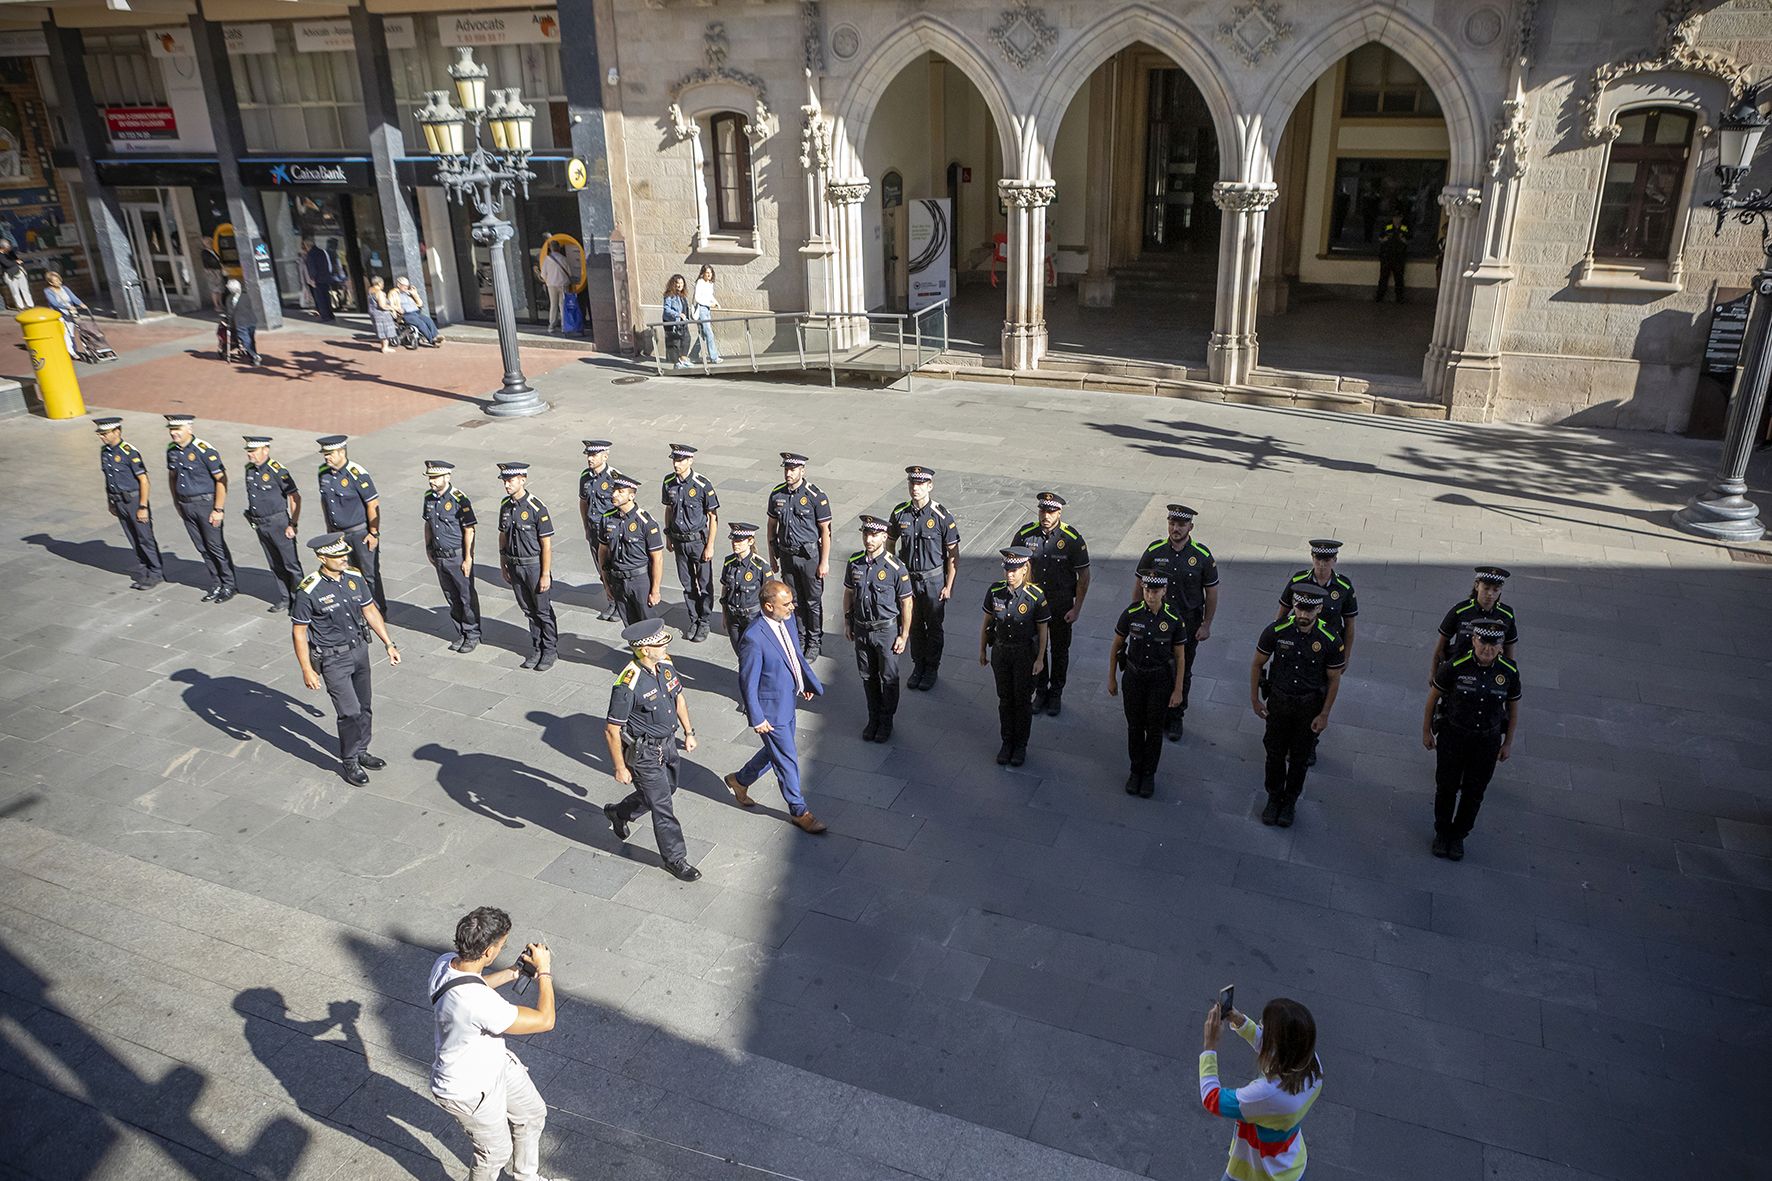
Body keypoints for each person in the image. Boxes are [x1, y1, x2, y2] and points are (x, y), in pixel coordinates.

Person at [428, 907, 561, 1181]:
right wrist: (545, 972)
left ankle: (526, 1176)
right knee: (495, 1154)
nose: (501, 950)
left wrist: (514, 972)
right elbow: (545, 1020)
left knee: (532, 1113)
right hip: (469, 1090)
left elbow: (474, 982)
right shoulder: (479, 1004)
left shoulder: (446, 963)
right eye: (501, 945)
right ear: (488, 952)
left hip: (492, 1063)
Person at [292, 531, 400, 785]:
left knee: (364, 706)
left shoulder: (354, 577)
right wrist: (307, 669)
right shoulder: (309, 591)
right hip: (333, 660)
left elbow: (370, 610)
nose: (344, 558)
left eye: (344, 553)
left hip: (359, 651)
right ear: (321, 557)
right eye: (337, 555)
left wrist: (388, 643)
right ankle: (350, 760)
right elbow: (299, 633)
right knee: (349, 712)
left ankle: (362, 750)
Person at [725, 578, 827, 834]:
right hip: (770, 710)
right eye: (786, 604)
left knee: (777, 753)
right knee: (787, 760)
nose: (792, 607)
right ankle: (799, 811)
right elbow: (747, 681)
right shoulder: (753, 638)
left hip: (787, 700)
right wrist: (756, 717)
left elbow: (793, 654)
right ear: (769, 607)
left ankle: (740, 780)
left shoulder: (787, 620)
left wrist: (802, 682)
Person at [603, 620, 703, 882]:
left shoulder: (666, 666)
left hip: (668, 745)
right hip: (645, 754)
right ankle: (675, 859)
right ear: (645, 649)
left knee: (666, 790)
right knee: (663, 807)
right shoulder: (627, 685)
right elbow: (612, 730)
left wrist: (688, 732)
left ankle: (620, 812)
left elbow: (678, 697)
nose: (666, 646)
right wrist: (620, 767)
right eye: (660, 643)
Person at [1422, 621, 1521, 861]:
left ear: (1500, 647)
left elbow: (1513, 707)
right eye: (1483, 642)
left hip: (1486, 741)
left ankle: (1458, 836)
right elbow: (1433, 698)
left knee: (1474, 791)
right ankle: (1443, 832)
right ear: (1474, 640)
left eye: (1494, 644)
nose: (1487, 649)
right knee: (1446, 786)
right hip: (1453, 735)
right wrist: (1426, 731)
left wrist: (1507, 742)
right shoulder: (1455, 666)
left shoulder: (1508, 671)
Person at [1199, 997, 1324, 1181]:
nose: (1260, 1028)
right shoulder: (1311, 1063)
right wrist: (1240, 1021)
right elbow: (1273, 1050)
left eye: (1263, 1026)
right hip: (1289, 1163)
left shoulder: (1267, 1095)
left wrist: (1209, 1047)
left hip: (1260, 1172)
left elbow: (1212, 1099)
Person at [1251, 585, 1345, 828]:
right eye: (1300, 608)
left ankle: (1290, 801)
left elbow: (1334, 679)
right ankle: (1274, 797)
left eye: (1310, 610)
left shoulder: (1330, 639)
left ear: (1320, 609)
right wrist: (1254, 699)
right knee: (1274, 753)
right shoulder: (1276, 630)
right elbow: (1257, 663)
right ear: (1294, 606)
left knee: (1300, 757)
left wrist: (1324, 714)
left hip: (1308, 707)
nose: (1303, 615)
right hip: (1280, 702)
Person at [1134, 504, 1217, 740]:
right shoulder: (1154, 550)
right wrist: (1135, 616)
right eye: (1172, 523)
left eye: (1181, 525)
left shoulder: (1201, 555)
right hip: (1156, 620)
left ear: (1190, 527)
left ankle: (1176, 716)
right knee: (1155, 667)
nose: (1175, 529)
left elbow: (1211, 592)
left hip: (1187, 624)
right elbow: (1139, 585)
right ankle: (1156, 713)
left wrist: (1206, 624)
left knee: (1182, 669)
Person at [1277, 539, 1357, 768]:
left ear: (1334, 561)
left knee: (1318, 698)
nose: (1321, 564)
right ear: (1312, 558)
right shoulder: (1298, 580)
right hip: (1296, 647)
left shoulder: (1343, 587)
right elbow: (1282, 612)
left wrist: (1346, 656)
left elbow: (1349, 624)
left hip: (1326, 653)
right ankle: (1287, 739)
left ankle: (1310, 742)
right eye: (1318, 559)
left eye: (1326, 560)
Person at [1108, 573, 1187, 798]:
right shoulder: (1131, 613)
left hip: (1159, 681)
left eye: (1154, 591)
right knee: (1134, 726)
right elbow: (1116, 646)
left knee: (1153, 730)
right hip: (1134, 677)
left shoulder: (1173, 618)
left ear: (1164, 591)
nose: (1150, 595)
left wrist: (1178, 689)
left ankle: (1149, 773)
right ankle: (1135, 770)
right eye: (1146, 590)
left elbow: (1180, 657)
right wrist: (1111, 677)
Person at [1014, 492, 1089, 717]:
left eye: (1051, 512)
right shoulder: (1026, 535)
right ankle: (1041, 689)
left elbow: (1084, 576)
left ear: (1059, 513)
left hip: (1060, 604)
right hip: (1034, 605)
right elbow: (1014, 568)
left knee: (1059, 650)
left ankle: (1056, 692)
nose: (1046, 516)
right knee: (1036, 648)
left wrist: (1077, 608)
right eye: (1042, 511)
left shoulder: (1071, 539)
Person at [888, 465, 960, 691]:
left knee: (934, 626)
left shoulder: (941, 515)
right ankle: (918, 666)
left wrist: (948, 585)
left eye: (920, 484)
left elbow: (953, 554)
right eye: (912, 484)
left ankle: (932, 668)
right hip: (909, 579)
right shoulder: (900, 513)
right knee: (914, 624)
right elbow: (890, 542)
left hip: (933, 579)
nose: (915, 488)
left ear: (930, 486)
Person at [844, 515, 913, 743]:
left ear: (884, 537)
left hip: (886, 631)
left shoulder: (896, 567)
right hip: (862, 629)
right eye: (866, 534)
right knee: (868, 676)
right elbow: (849, 593)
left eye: (874, 535)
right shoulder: (855, 562)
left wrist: (904, 635)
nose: (869, 539)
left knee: (889, 678)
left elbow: (906, 602)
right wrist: (847, 621)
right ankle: (873, 718)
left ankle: (886, 720)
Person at [980, 546, 1050, 767]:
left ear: (1024, 569)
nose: (1009, 574)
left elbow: (1042, 630)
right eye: (1007, 570)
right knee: (1005, 699)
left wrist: (1040, 659)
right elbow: (987, 623)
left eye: (1014, 570)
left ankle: (1020, 745)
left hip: (1023, 654)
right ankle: (1007, 741)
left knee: (1022, 701)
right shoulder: (995, 591)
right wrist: (982, 649)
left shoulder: (1035, 596)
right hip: (1001, 652)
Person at [164, 413, 238, 602]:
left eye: (177, 429)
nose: (174, 433)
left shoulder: (204, 450)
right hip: (186, 504)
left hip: (206, 504)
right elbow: (173, 477)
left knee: (215, 547)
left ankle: (229, 584)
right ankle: (216, 583)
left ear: (189, 429)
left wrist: (218, 509)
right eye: (172, 429)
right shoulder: (172, 450)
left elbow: (221, 480)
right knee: (202, 547)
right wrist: (176, 502)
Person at [766, 452, 832, 658]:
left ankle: (814, 641)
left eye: (793, 469)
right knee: (792, 600)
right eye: (786, 469)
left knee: (812, 601)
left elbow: (825, 531)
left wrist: (824, 562)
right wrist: (772, 556)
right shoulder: (777, 495)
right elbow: (771, 527)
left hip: (809, 556)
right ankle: (800, 637)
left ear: (802, 470)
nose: (789, 473)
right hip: (787, 556)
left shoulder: (815, 496)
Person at [497, 462, 558, 672]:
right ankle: (537, 648)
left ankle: (549, 649)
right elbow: (503, 536)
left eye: (510, 481)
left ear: (523, 479)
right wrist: (503, 564)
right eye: (505, 481)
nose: (507, 485)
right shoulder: (505, 505)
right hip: (515, 565)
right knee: (528, 611)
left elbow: (546, 544)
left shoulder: (536, 507)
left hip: (533, 565)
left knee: (542, 611)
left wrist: (545, 574)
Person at [316, 436, 387, 615]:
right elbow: (325, 501)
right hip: (338, 534)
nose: (327, 458)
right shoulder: (323, 472)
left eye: (330, 454)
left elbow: (373, 504)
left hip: (359, 533)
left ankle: (377, 610)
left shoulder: (357, 474)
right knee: (346, 573)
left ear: (341, 452)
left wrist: (373, 533)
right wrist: (329, 529)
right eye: (325, 454)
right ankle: (357, 608)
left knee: (368, 574)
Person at [93, 416, 164, 589]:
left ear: (117, 432)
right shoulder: (105, 452)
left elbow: (144, 480)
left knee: (144, 537)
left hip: (133, 500)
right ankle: (144, 568)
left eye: (105, 433)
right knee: (132, 537)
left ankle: (156, 572)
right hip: (119, 501)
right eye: (100, 434)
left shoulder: (129, 452)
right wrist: (110, 501)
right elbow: (108, 478)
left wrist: (143, 506)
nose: (101, 437)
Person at [660, 443, 720, 642]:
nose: (676, 464)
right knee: (687, 584)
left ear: (690, 461)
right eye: (674, 460)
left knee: (704, 583)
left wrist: (710, 545)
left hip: (698, 542)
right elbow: (669, 510)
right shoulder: (669, 482)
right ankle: (693, 618)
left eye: (680, 460)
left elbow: (713, 517)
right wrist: (668, 535)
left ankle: (705, 621)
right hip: (679, 541)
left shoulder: (702, 485)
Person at [423, 460, 481, 653]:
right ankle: (461, 632)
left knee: (466, 597)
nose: (432, 481)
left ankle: (472, 634)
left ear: (447, 477)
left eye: (435, 477)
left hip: (456, 556)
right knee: (451, 597)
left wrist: (468, 558)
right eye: (430, 477)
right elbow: (428, 524)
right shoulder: (428, 498)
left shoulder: (459, 499)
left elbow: (469, 530)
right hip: (440, 556)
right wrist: (428, 548)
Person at [241, 435, 303, 613]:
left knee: (291, 565)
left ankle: (300, 601)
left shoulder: (278, 470)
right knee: (275, 563)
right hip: (261, 524)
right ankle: (285, 598)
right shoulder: (249, 470)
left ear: (265, 450)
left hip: (279, 523)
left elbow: (294, 497)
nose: (250, 455)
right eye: (249, 451)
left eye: (253, 451)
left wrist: (293, 523)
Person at [598, 472, 665, 625]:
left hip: (640, 581)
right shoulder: (607, 518)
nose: (614, 494)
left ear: (631, 496)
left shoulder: (646, 522)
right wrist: (607, 583)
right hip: (618, 580)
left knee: (649, 626)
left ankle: (653, 650)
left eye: (620, 491)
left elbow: (657, 558)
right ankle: (636, 650)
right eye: (614, 490)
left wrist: (655, 590)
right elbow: (603, 551)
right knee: (630, 627)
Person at [1431, 565, 1518, 675]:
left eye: (1495, 590)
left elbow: (1509, 651)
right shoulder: (1460, 610)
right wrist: (1434, 672)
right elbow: (1441, 646)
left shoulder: (1507, 614)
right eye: (1486, 588)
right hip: (1458, 670)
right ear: (1477, 586)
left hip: (1489, 673)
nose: (1490, 594)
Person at [577, 440, 620, 621]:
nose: (590, 459)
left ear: (605, 456)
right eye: (588, 455)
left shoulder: (614, 478)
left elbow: (622, 505)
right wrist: (586, 527)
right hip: (595, 530)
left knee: (615, 567)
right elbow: (583, 502)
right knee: (602, 568)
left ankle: (620, 603)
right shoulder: (585, 477)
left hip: (610, 531)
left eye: (594, 455)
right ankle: (611, 600)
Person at [719, 521, 770, 657]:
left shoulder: (761, 567)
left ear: (750, 541)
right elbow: (725, 591)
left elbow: (770, 596)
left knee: (755, 654)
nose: (735, 543)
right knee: (740, 654)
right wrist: (725, 616)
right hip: (733, 617)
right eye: (734, 540)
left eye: (740, 540)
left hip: (752, 618)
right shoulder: (728, 562)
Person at [42, 271, 85, 357]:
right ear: (50, 282)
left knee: (72, 333)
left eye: (59, 280)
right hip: (58, 314)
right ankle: (71, 352)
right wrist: (66, 307)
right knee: (65, 333)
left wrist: (81, 304)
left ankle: (74, 350)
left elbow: (73, 298)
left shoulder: (65, 288)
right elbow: (54, 303)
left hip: (70, 313)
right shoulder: (48, 291)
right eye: (56, 281)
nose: (59, 282)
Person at [222, 278, 261, 366]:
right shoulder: (246, 296)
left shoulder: (229, 299)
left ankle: (254, 356)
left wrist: (229, 323)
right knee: (251, 340)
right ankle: (254, 358)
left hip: (240, 323)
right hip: (251, 320)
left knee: (246, 341)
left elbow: (230, 313)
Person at [392, 276, 441, 346]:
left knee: (428, 320)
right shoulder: (394, 293)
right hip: (406, 314)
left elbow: (420, 304)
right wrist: (397, 309)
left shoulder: (409, 293)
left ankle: (436, 336)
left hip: (416, 312)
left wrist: (415, 294)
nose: (406, 287)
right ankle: (431, 339)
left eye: (407, 286)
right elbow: (391, 304)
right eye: (404, 286)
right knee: (420, 323)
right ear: (398, 285)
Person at [1375, 212, 1411, 303]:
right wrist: (1384, 239)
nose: (1396, 220)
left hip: (1399, 257)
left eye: (1398, 217)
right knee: (1383, 276)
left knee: (1399, 277)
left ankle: (1399, 297)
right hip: (1386, 255)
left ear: (1401, 218)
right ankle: (1379, 296)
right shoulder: (1388, 226)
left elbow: (1409, 239)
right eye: (1395, 217)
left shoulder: (1404, 228)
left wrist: (1404, 240)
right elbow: (1380, 237)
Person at [690, 263, 721, 364]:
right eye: (707, 273)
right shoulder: (700, 282)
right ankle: (714, 357)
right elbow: (697, 298)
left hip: (707, 309)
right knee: (709, 333)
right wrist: (709, 304)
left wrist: (716, 303)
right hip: (701, 309)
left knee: (703, 334)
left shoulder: (710, 283)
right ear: (702, 273)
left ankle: (693, 355)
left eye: (710, 273)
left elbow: (710, 296)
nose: (709, 275)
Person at [303, 236, 338, 322]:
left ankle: (325, 316)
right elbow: (328, 264)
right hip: (326, 277)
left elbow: (312, 269)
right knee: (327, 297)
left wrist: (312, 279)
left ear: (307, 246)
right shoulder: (322, 252)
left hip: (318, 279)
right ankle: (331, 314)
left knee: (320, 298)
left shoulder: (310, 254)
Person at [540, 242, 573, 332]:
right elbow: (570, 273)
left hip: (551, 285)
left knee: (553, 305)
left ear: (550, 248)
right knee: (562, 305)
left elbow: (543, 274)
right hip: (563, 284)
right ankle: (564, 326)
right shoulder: (563, 259)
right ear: (559, 248)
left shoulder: (547, 259)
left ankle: (552, 326)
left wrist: (548, 280)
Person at [661, 273, 691, 367]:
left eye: (682, 283)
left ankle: (683, 358)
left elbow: (685, 308)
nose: (680, 285)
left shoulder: (682, 295)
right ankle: (677, 363)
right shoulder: (669, 295)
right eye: (677, 283)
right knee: (675, 343)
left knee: (686, 338)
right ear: (673, 284)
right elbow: (666, 309)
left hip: (682, 322)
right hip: (672, 322)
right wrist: (677, 314)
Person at [366, 276, 398, 353]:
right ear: (379, 283)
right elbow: (382, 305)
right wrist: (392, 308)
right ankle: (385, 347)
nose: (383, 285)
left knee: (380, 331)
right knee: (385, 331)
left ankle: (383, 346)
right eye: (382, 283)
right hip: (381, 314)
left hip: (374, 313)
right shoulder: (379, 292)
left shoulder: (370, 290)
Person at [1, 237, 32, 308]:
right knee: (15, 291)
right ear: (2, 247)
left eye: (9, 246)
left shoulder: (10, 252)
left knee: (25, 289)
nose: (9, 247)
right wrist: (16, 262)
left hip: (18, 271)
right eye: (7, 246)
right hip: (9, 274)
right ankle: (21, 306)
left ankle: (30, 305)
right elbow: (7, 264)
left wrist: (17, 261)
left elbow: (18, 260)